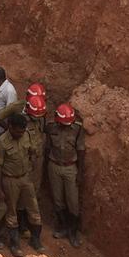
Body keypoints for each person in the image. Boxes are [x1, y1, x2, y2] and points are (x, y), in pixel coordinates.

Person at [0, 114, 43, 256]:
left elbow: (32, 150)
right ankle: (15, 244)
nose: (21, 134)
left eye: (22, 131)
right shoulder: (1, 142)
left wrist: (33, 158)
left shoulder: (26, 134)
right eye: (18, 131)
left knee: (33, 208)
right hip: (10, 180)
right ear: (10, 127)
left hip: (26, 178)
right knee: (11, 211)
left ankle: (36, 240)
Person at [45, 103, 85, 247]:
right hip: (54, 165)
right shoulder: (50, 127)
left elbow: (80, 150)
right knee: (58, 200)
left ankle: (73, 232)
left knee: (73, 202)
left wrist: (80, 172)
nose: (66, 127)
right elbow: (47, 146)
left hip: (70, 167)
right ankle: (62, 227)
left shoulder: (77, 129)